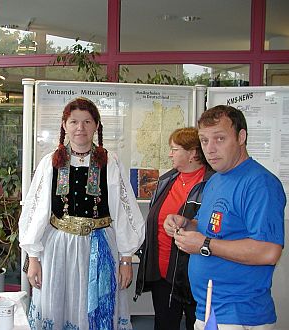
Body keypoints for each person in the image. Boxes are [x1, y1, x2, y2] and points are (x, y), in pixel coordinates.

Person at [19, 97, 145, 329]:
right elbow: (35, 211)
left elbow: (124, 209)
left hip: (100, 248)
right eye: (74, 121)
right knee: (57, 305)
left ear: (96, 125)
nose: (80, 128)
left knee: (96, 308)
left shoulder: (110, 163)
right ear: (64, 125)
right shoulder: (51, 163)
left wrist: (126, 259)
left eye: (87, 121)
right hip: (58, 248)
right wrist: (34, 258)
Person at [163, 105, 285, 329]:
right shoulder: (216, 180)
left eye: (219, 139)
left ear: (241, 137)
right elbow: (210, 226)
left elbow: (269, 251)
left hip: (239, 314)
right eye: (204, 140)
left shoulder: (260, 184)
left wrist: (204, 245)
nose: (210, 149)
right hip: (208, 308)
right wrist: (187, 223)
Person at [134, 127, 214, 330]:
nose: (170, 154)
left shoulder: (212, 183)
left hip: (193, 275)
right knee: (164, 324)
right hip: (162, 274)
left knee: (196, 325)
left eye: (175, 149)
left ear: (193, 153)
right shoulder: (166, 180)